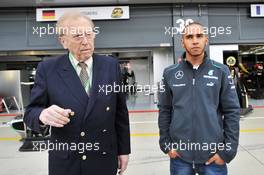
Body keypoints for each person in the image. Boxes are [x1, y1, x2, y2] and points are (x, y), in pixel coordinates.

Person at [24, 11, 130, 175]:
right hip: (66, 161)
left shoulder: (111, 66)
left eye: (89, 34)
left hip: (103, 157)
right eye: (77, 36)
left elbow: (121, 113)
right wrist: (42, 115)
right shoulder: (48, 69)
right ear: (63, 41)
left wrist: (123, 150)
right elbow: (30, 113)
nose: (86, 41)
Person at [158, 22, 240, 175]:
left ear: (206, 40)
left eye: (199, 36)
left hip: (213, 157)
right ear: (182, 42)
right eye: (189, 37)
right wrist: (166, 144)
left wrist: (227, 151)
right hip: (180, 157)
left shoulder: (220, 71)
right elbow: (164, 110)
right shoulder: (169, 73)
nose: (195, 41)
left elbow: (232, 112)